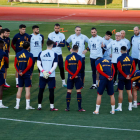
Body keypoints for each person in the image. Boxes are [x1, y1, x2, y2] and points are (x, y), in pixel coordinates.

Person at [37, 40, 58, 111]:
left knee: (41, 90)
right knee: (51, 91)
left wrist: (43, 71)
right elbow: (55, 65)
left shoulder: (41, 53)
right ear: (52, 45)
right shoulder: (54, 54)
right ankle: (51, 107)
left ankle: (39, 106)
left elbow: (38, 64)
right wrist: (49, 72)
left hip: (42, 75)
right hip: (51, 75)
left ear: (46, 45)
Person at [14, 41, 34, 110]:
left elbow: (15, 64)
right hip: (27, 74)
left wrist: (19, 71)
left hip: (20, 74)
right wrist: (24, 72)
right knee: (27, 90)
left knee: (19, 89)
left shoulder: (18, 54)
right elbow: (30, 65)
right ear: (28, 47)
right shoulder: (30, 55)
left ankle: (17, 105)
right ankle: (27, 106)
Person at [65, 45, 85, 112]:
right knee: (78, 91)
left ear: (72, 49)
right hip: (77, 77)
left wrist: (72, 76)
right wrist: (74, 75)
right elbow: (79, 68)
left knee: (69, 91)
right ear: (77, 50)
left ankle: (67, 108)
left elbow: (66, 68)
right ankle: (79, 108)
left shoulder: (68, 57)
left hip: (70, 77)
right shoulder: (79, 57)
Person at [115, 46, 136, 112]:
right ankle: (130, 107)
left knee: (120, 92)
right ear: (127, 51)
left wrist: (125, 75)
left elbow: (119, 68)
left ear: (121, 51)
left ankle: (120, 107)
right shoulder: (131, 58)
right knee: (129, 92)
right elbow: (134, 68)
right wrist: (129, 76)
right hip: (129, 78)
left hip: (121, 77)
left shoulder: (119, 58)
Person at [48, 23, 67, 87]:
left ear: (59, 28)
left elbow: (63, 44)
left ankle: (63, 83)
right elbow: (49, 44)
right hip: (52, 54)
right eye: (56, 28)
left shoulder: (62, 35)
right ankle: (50, 82)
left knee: (61, 68)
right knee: (50, 68)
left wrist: (55, 43)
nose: (57, 29)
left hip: (59, 54)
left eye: (58, 28)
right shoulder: (50, 34)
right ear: (54, 28)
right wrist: (59, 43)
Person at [0, 40, 9, 108]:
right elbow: (7, 61)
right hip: (1, 72)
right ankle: (0, 104)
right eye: (3, 44)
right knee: (0, 88)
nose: (3, 46)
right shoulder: (3, 53)